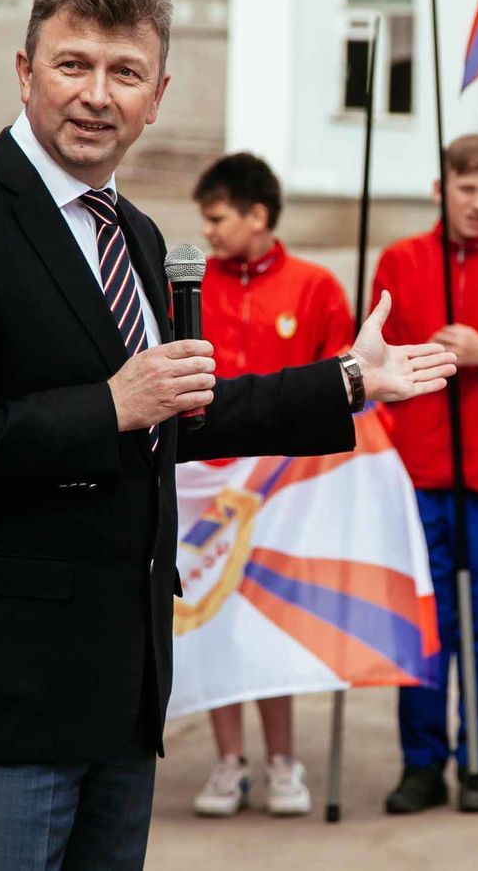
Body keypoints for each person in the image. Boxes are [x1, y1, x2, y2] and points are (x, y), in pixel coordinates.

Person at [0, 0, 455, 871]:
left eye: (124, 72)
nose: (97, 94)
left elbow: (177, 412)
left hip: (120, 689)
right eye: (72, 64)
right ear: (25, 72)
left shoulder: (136, 234)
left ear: (157, 96)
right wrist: (107, 405)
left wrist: (348, 380)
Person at [372, 133, 478, 815]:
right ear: (440, 190)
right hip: (419, 473)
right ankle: (422, 763)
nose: (477, 203)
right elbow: (375, 364)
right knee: (423, 621)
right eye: (465, 189)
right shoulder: (402, 261)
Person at [184, 152, 355, 818]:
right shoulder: (191, 287)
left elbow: (346, 387)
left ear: (257, 215)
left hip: (286, 496)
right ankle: (230, 762)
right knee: (213, 620)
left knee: (268, 624)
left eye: (218, 218)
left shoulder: (314, 287)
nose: (208, 231)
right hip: (207, 491)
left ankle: (284, 758)